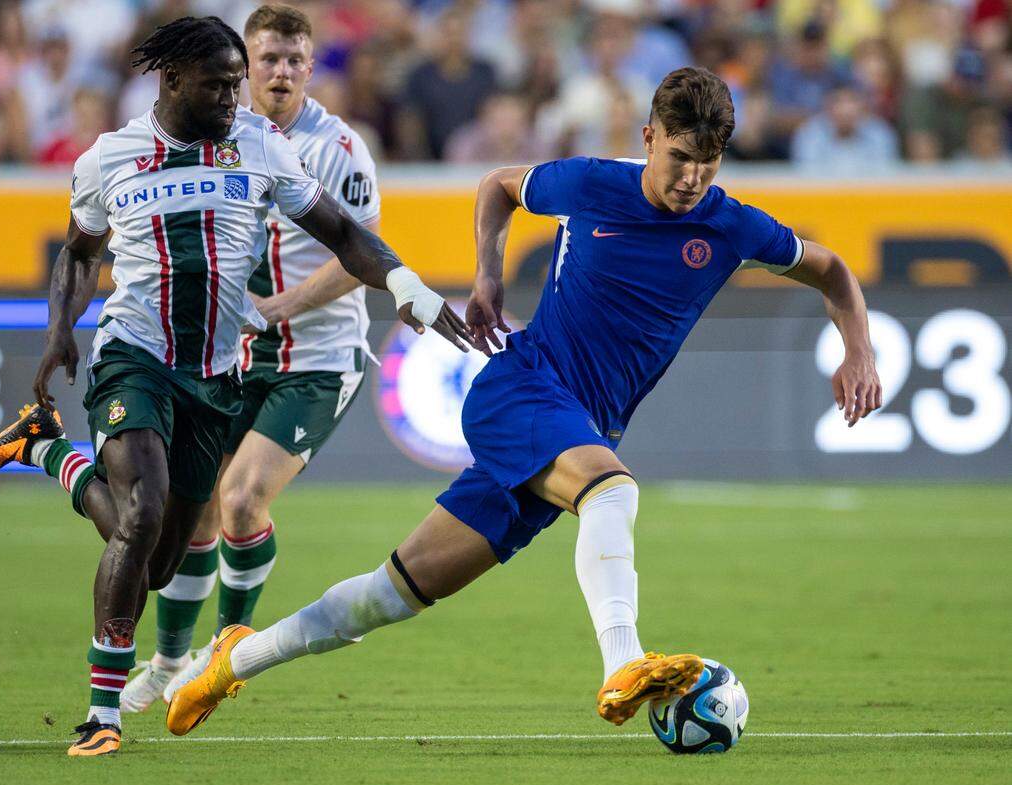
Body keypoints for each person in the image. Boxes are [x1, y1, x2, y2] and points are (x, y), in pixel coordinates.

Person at [165, 66, 883, 736]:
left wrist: (860, 348)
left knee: (390, 595)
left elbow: (830, 269)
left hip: (574, 429)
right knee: (612, 493)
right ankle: (621, 662)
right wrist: (488, 280)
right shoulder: (592, 184)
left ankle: (232, 661)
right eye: (679, 157)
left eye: (709, 160)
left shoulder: (732, 226)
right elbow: (498, 185)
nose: (692, 177)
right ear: (649, 139)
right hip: (523, 389)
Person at [0, 15, 471, 757]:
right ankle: (102, 712)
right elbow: (80, 254)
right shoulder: (111, 157)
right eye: (219, 84)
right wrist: (59, 332)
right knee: (145, 512)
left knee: (161, 558)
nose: (232, 97)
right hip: (134, 355)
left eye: (237, 82)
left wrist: (411, 288)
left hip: (218, 373)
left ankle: (54, 458)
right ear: (173, 81)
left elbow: (345, 233)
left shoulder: (260, 145)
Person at [120, 3, 385, 714]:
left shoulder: (338, 148)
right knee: (195, 506)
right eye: (269, 58)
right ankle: (172, 657)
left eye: (296, 60)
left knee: (241, 499)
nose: (282, 71)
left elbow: (360, 256)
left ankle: (229, 647)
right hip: (229, 356)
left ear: (309, 67)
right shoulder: (218, 137)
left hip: (317, 359)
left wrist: (281, 304)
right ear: (244, 64)